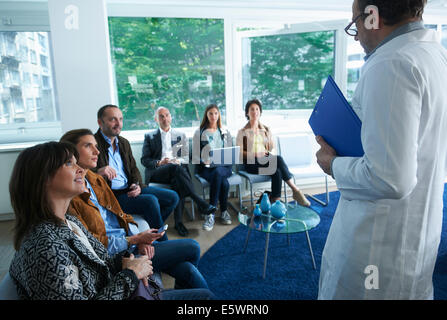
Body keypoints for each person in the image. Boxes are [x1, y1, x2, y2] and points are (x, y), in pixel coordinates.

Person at [315, 0, 447, 299]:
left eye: (356, 23)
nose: (358, 35)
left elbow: (389, 178)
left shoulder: (391, 64)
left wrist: (331, 164)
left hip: (378, 245)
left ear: (373, 15)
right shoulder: (435, 55)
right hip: (413, 235)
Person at [61, 129, 211, 291]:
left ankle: (187, 293)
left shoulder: (94, 179)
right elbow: (92, 244)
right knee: (193, 247)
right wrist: (134, 240)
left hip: (127, 240)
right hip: (117, 255)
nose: (97, 151)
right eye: (88, 146)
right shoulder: (71, 197)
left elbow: (122, 215)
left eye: (95, 146)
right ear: (71, 152)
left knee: (187, 269)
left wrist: (138, 237)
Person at [8, 141, 153, 300]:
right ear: (44, 178)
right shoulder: (46, 248)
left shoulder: (70, 221)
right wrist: (130, 275)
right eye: (69, 163)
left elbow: (100, 261)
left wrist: (128, 262)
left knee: (185, 270)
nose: (81, 169)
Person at [93, 104, 179, 241]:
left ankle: (152, 229)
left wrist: (136, 184)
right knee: (151, 202)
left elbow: (134, 169)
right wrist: (98, 171)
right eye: (113, 119)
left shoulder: (123, 142)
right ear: (100, 122)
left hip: (130, 188)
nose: (118, 124)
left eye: (120, 119)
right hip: (113, 195)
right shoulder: (93, 144)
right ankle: (162, 240)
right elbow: (84, 171)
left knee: (173, 197)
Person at [141, 107, 217, 236]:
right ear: (156, 119)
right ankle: (199, 202)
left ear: (171, 117)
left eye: (167, 115)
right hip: (158, 172)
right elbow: (145, 160)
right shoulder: (150, 136)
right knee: (176, 170)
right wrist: (160, 162)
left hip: (176, 170)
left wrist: (178, 161)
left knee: (178, 179)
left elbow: (186, 157)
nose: (165, 118)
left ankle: (178, 223)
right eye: (161, 116)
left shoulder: (179, 135)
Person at [236, 99, 310, 207]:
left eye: (257, 109)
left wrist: (267, 153)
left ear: (260, 112)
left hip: (264, 159)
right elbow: (240, 152)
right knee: (278, 160)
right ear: (247, 112)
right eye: (252, 109)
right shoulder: (242, 131)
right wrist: (255, 154)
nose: (255, 112)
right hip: (251, 163)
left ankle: (276, 201)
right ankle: (295, 190)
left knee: (277, 170)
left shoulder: (266, 129)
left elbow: (272, 148)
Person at [192, 104, 233, 231]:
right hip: (207, 169)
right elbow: (194, 156)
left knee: (218, 172)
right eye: (211, 113)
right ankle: (223, 212)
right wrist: (204, 160)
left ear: (219, 115)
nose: (213, 116)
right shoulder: (199, 133)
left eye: (216, 113)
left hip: (224, 167)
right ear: (206, 115)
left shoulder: (225, 132)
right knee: (224, 183)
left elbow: (231, 153)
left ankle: (211, 213)